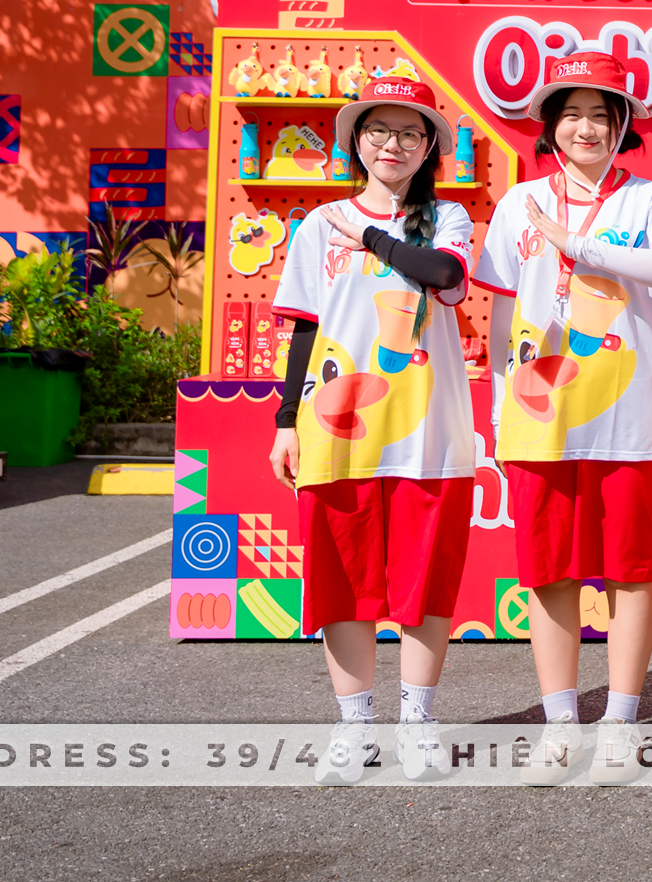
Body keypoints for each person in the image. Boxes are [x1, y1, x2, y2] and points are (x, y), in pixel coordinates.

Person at [472, 51, 652, 786]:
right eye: (572, 115)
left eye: (602, 115)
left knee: (632, 572)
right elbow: (502, 310)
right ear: (550, 126)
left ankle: (621, 723)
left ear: (624, 125)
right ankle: (562, 725)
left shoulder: (651, 200)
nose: (587, 128)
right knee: (549, 575)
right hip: (540, 417)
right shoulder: (518, 204)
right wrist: (502, 399)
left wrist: (577, 245)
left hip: (630, 419)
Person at [267, 76, 475, 787]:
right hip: (335, 428)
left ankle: (418, 723)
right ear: (356, 140)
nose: (393, 144)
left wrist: (374, 235)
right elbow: (303, 328)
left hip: (429, 432)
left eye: (410, 133)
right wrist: (284, 421)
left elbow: (442, 274)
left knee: (426, 580)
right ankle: (355, 728)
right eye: (379, 130)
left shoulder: (447, 218)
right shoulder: (319, 224)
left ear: (429, 149)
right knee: (343, 581)